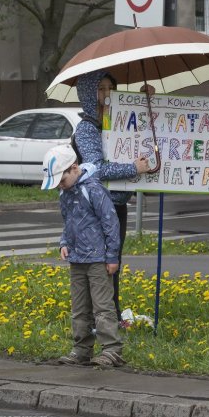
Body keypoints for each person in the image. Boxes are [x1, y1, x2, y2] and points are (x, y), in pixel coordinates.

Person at [74, 70, 150, 326]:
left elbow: (144, 133)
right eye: (100, 88)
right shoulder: (86, 128)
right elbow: (95, 167)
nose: (107, 94)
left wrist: (144, 103)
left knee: (113, 262)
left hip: (117, 204)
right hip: (96, 208)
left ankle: (110, 317)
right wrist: (132, 169)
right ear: (88, 93)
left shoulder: (117, 120)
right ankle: (101, 321)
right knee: (102, 264)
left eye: (110, 88)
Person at [41, 144, 125, 367]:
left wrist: (112, 256)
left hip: (98, 259)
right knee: (79, 308)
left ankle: (112, 349)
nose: (59, 185)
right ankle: (82, 348)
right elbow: (67, 221)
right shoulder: (64, 193)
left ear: (74, 168)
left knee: (102, 306)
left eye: (61, 179)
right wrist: (64, 243)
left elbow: (111, 223)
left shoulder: (94, 189)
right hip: (77, 259)